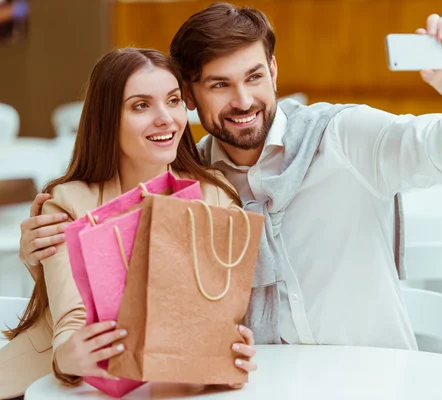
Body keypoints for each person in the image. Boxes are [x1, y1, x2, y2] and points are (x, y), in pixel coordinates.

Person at [20, 3, 442, 350]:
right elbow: (133, 287)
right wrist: (41, 258)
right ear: (189, 95)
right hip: (261, 384)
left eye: (253, 77)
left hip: (371, 379)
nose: (243, 101)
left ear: (273, 69)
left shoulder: (343, 137)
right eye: (220, 85)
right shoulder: (195, 184)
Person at [0, 48, 257, 400]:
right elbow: (70, 319)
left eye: (173, 100)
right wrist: (69, 354)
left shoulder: (214, 195)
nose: (165, 118)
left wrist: (229, 347)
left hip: (179, 388)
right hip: (46, 387)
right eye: (140, 105)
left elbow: (217, 315)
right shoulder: (67, 202)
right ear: (107, 119)